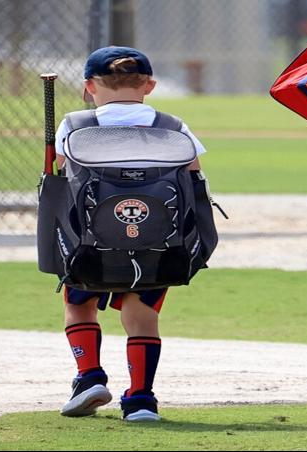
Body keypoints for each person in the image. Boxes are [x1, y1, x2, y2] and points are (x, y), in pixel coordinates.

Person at [56, 46, 209, 423]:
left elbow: (58, 177)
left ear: (89, 86)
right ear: (150, 86)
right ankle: (141, 399)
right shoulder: (173, 127)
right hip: (159, 240)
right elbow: (194, 180)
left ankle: (89, 376)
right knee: (142, 314)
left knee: (80, 304)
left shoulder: (75, 125)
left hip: (91, 242)